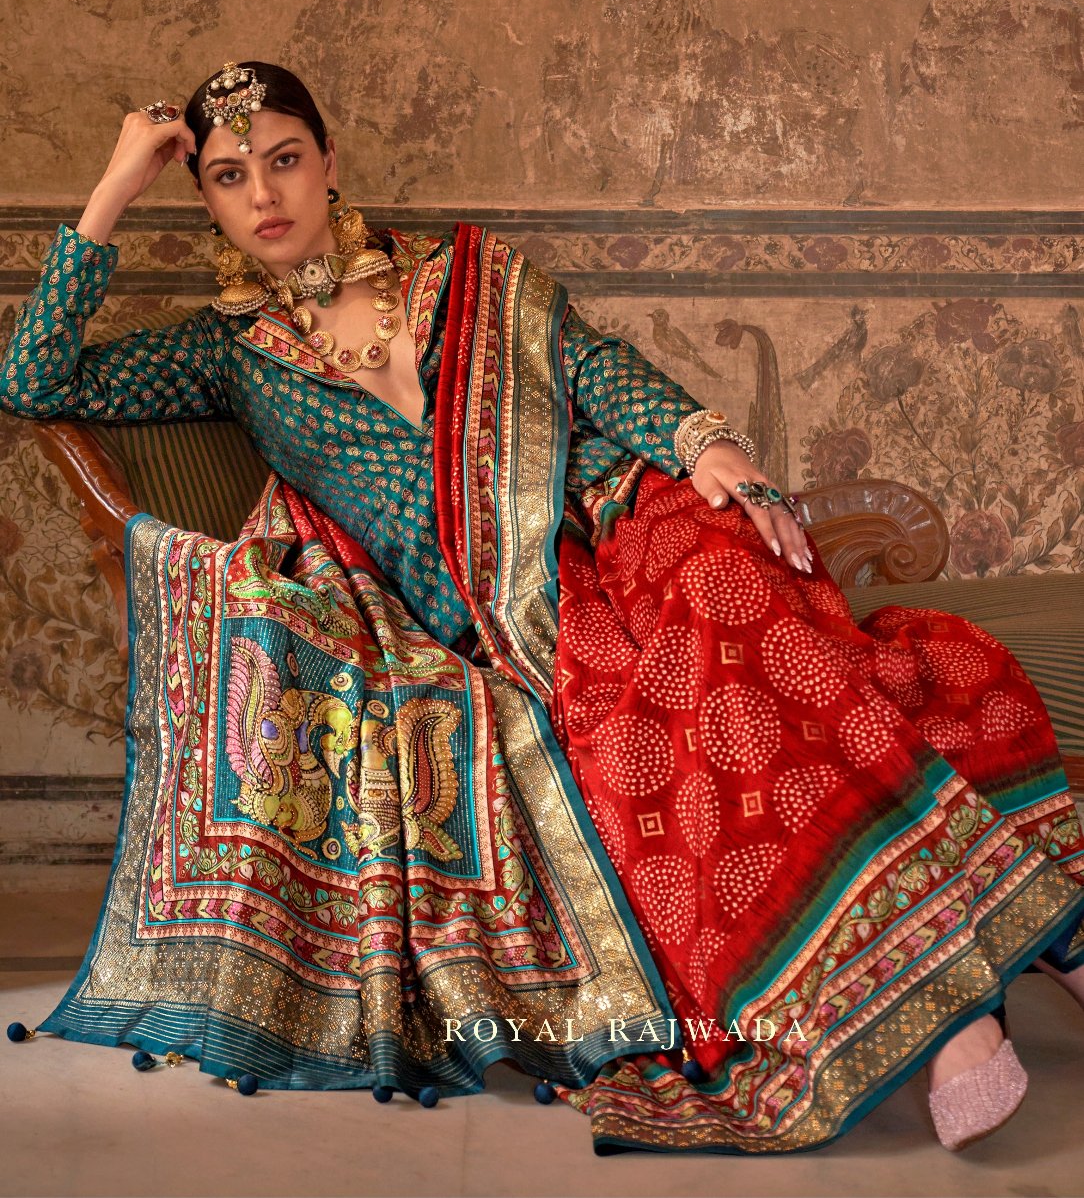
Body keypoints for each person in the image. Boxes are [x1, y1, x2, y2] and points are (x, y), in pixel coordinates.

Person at [2, 60, 1081, 1156]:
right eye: (230, 176)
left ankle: (945, 981)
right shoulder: (227, 355)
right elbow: (31, 380)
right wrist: (113, 189)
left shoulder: (466, 273)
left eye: (284, 159)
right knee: (661, 728)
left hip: (622, 515)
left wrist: (712, 449)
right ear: (209, 201)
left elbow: (594, 371)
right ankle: (962, 995)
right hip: (521, 617)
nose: (264, 194)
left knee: (728, 589)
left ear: (329, 163)